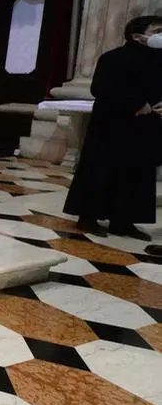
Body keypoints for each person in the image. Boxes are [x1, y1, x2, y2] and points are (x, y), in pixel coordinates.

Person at [63, 15, 162, 240]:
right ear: (137, 35)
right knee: (102, 170)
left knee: (137, 173)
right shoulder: (113, 57)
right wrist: (138, 104)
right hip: (112, 124)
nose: (160, 35)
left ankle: (123, 221)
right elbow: (101, 88)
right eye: (157, 30)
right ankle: (88, 218)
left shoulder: (159, 59)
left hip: (144, 126)